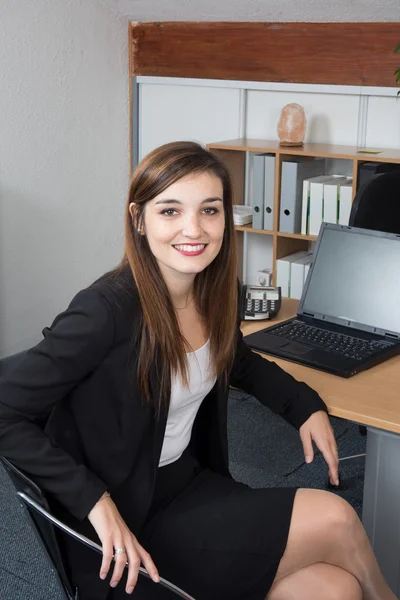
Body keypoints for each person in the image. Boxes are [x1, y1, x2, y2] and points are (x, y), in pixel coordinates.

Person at [0, 141, 396, 600]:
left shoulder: (216, 289)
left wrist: (302, 405)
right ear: (138, 219)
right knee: (337, 517)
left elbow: (234, 359)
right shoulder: (104, 312)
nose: (194, 228)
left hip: (185, 486)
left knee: (334, 587)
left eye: (210, 210)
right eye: (170, 211)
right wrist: (95, 501)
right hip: (121, 525)